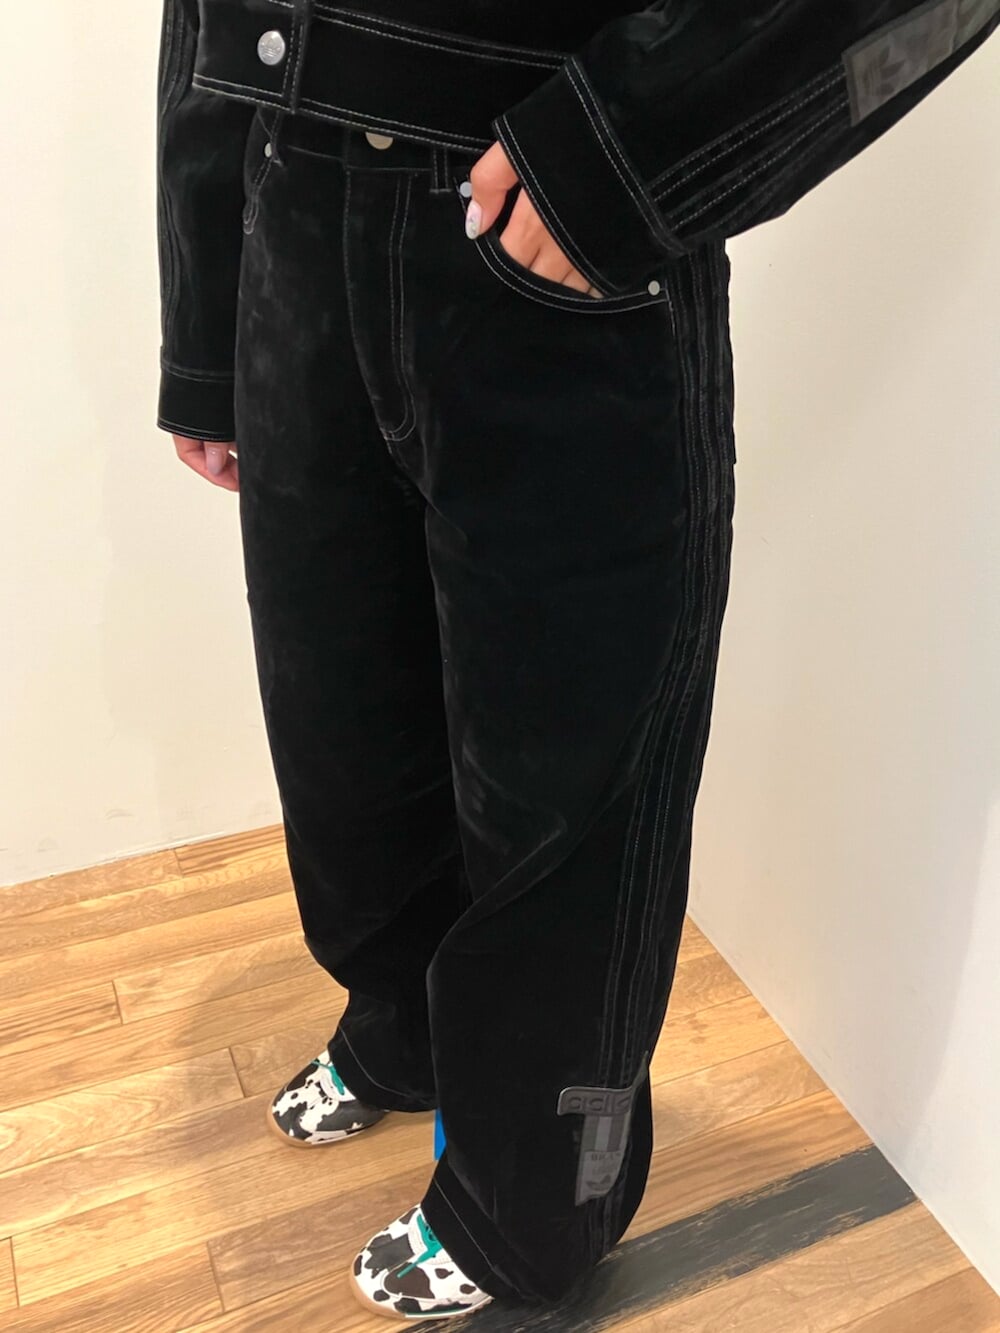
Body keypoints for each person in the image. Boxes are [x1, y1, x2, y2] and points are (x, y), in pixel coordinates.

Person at [155, 0, 997, 1319]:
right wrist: (206, 307)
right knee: (343, 717)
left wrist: (629, 152)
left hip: (546, 248)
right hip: (293, 201)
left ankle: (535, 1205)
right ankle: (409, 1024)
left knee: (565, 791)